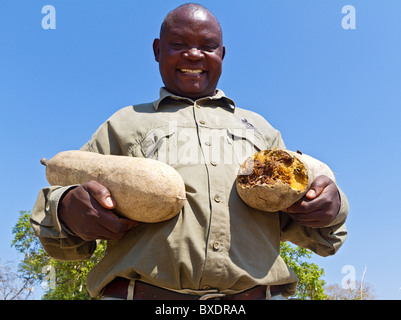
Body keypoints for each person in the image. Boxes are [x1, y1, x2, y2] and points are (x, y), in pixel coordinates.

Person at [31, 3, 348, 300]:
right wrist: (66, 208)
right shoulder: (124, 123)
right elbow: (61, 229)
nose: (194, 54)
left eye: (207, 46)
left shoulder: (262, 131)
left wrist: (331, 208)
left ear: (222, 54)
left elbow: (315, 229)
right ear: (157, 50)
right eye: (179, 44)